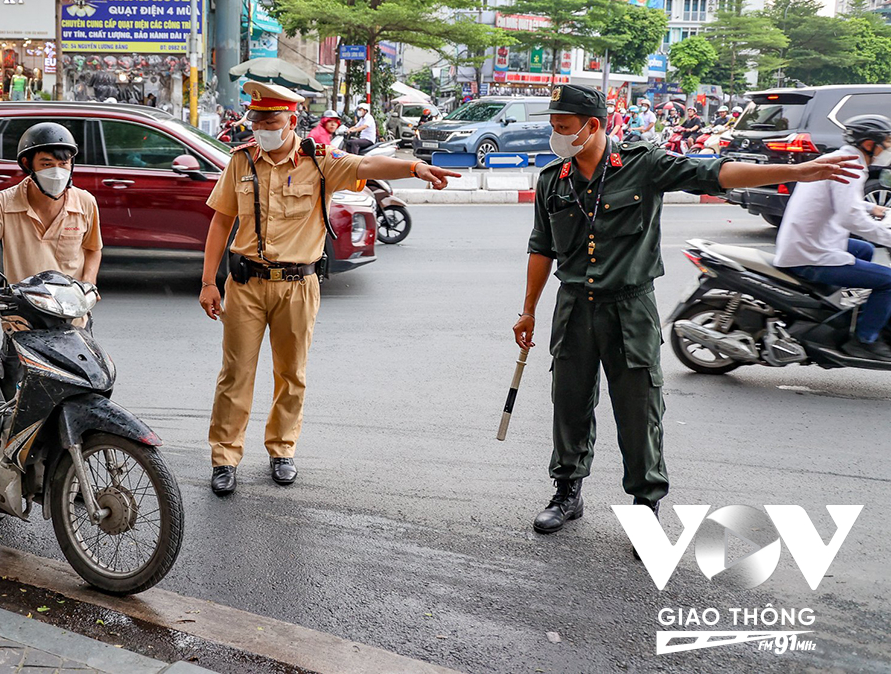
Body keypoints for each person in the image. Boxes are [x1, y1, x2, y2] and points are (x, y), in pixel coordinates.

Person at [513, 84, 860, 545]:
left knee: (639, 408)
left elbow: (716, 173)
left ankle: (645, 505)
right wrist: (528, 311)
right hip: (573, 306)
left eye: (563, 127)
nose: (555, 135)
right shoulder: (552, 180)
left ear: (591, 125)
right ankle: (567, 493)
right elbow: (542, 247)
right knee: (570, 402)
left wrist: (800, 171)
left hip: (629, 307)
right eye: (553, 126)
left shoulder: (643, 165)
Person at [199, 81, 460, 495]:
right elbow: (220, 220)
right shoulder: (242, 162)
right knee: (235, 374)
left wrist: (414, 168)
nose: (264, 126)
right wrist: (208, 281)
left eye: (272, 119)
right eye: (258, 119)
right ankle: (225, 457)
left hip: (298, 286)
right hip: (246, 284)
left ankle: (282, 450)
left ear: (292, 119)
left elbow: (367, 167)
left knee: (291, 374)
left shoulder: (320, 161)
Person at [774, 115, 891, 360]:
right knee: (889, 281)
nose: (888, 148)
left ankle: (836, 309)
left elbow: (843, 201)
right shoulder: (851, 166)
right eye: (886, 143)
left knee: (865, 251)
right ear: (869, 144)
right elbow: (850, 218)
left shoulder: (839, 159)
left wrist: (872, 209)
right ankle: (865, 339)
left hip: (807, 240)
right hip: (810, 254)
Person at [0, 122, 102, 318]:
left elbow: (93, 249)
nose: (57, 172)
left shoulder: (85, 202)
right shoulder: (3, 203)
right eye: (47, 164)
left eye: (63, 164)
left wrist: (88, 284)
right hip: (21, 320)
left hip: (73, 320)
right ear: (27, 164)